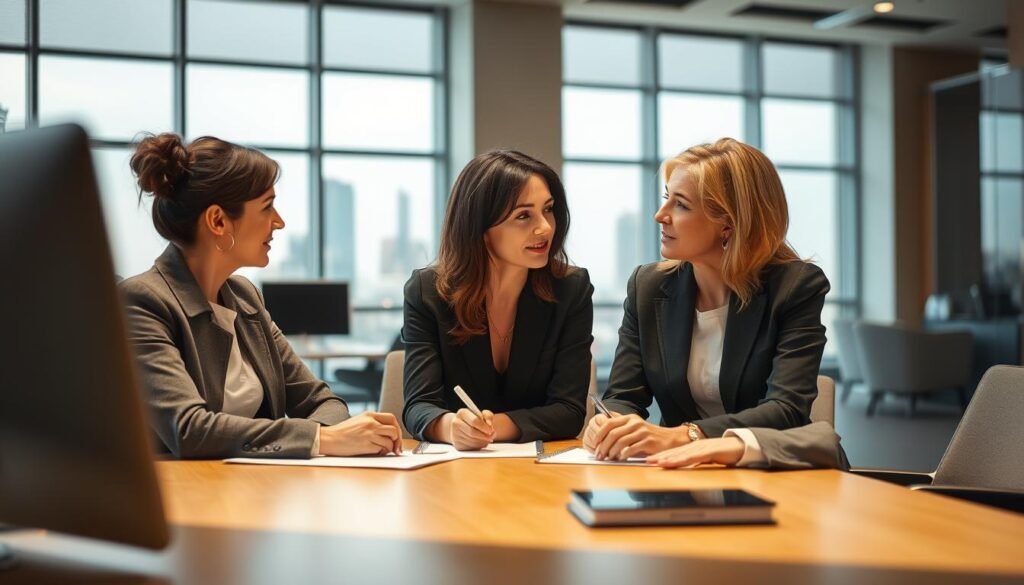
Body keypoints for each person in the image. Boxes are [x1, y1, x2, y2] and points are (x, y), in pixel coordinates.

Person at [120, 133, 402, 459]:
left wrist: (333, 435)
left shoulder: (246, 298)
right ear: (218, 221)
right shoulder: (142, 302)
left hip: (259, 490)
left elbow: (322, 400)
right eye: (268, 206)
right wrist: (322, 440)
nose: (279, 222)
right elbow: (188, 430)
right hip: (187, 495)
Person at [584, 138, 830, 461]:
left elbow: (786, 410)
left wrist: (685, 435)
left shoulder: (795, 287)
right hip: (676, 477)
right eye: (665, 199)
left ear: (728, 224)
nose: (660, 215)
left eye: (681, 205)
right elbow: (623, 396)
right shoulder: (648, 286)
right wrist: (609, 424)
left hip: (768, 472)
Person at [402, 150, 593, 449]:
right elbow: (418, 407)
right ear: (479, 227)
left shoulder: (571, 289)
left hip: (540, 471)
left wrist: (490, 428)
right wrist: (452, 427)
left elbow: (568, 412)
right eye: (523, 215)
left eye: (549, 209)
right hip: (452, 476)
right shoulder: (428, 292)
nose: (545, 227)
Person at [646, 422, 849, 470]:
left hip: (777, 468)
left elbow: (787, 407)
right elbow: (624, 395)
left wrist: (691, 434)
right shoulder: (647, 311)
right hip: (682, 469)